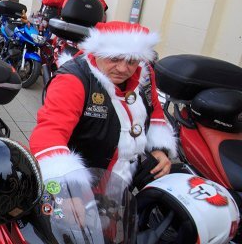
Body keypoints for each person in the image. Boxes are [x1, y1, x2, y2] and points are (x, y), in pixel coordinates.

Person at [29, 21, 177, 187]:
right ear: (97, 52)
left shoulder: (145, 75)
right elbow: (49, 133)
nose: (123, 69)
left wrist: (159, 149)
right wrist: (67, 185)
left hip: (124, 187)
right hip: (85, 187)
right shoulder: (73, 80)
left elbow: (155, 113)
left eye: (131, 61)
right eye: (114, 58)